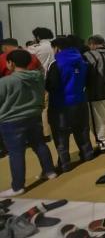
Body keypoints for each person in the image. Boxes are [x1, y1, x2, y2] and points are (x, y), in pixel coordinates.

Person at [0, 50, 56, 198]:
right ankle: (50, 171)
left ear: (10, 63)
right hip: (33, 116)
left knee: (16, 152)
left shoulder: (6, 81)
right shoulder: (37, 77)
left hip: (11, 121)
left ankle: (18, 186)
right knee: (39, 144)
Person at [46, 37, 94, 172]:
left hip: (61, 104)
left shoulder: (56, 63)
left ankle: (65, 164)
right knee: (82, 129)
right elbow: (89, 81)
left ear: (58, 48)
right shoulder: (83, 60)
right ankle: (87, 154)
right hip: (80, 101)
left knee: (61, 134)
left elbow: (52, 86)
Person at [27, 27, 55, 140]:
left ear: (37, 37)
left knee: (41, 107)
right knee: (49, 107)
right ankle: (49, 131)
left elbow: (24, 58)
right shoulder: (54, 45)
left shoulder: (34, 48)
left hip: (39, 80)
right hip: (54, 79)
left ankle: (44, 133)